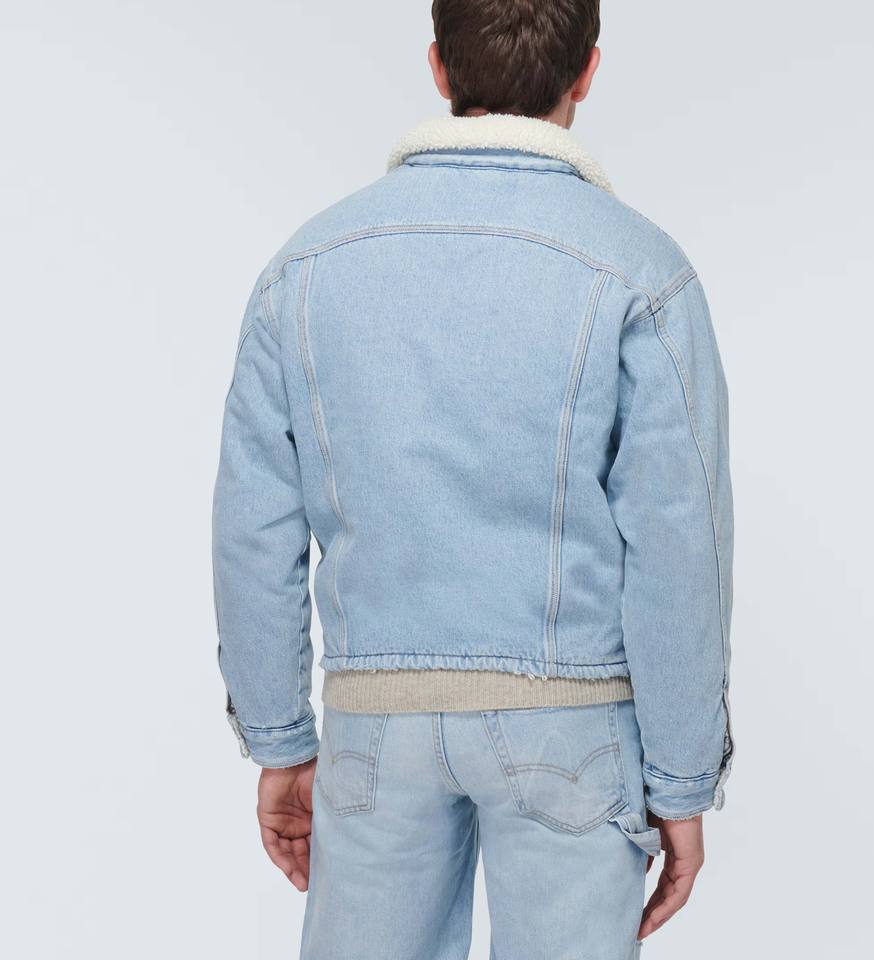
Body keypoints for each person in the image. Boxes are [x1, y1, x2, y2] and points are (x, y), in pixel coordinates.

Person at [212, 2, 733, 956]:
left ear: (439, 69)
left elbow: (255, 530)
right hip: (572, 726)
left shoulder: (307, 267)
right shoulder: (640, 272)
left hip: (375, 725)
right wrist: (681, 781)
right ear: (588, 72)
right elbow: (677, 545)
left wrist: (282, 739)